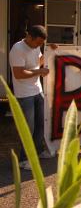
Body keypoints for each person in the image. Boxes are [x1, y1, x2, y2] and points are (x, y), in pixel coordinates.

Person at [9, 25, 57, 170]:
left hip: (37, 91)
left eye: (41, 44)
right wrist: (39, 72)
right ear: (29, 36)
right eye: (37, 42)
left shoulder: (35, 46)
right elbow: (18, 74)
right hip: (24, 95)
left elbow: (39, 62)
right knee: (27, 128)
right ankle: (24, 159)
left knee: (40, 125)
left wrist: (50, 52)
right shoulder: (17, 49)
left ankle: (39, 151)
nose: (38, 46)